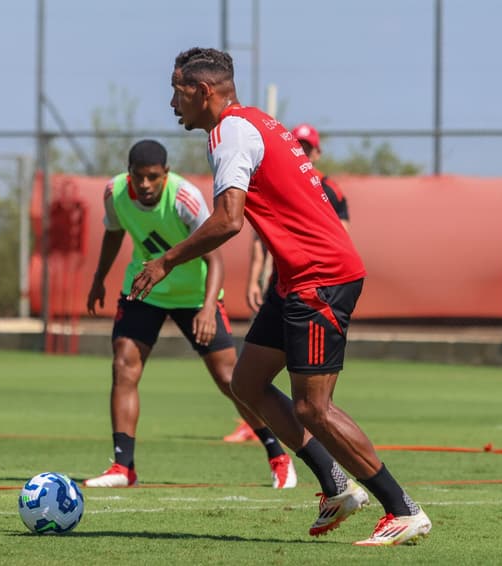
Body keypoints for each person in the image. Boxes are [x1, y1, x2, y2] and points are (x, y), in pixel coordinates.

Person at [128, 48, 431, 545]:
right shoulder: (254, 121)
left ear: (203, 91)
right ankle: (336, 485)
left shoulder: (229, 132)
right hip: (297, 277)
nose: (171, 102)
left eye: (177, 90)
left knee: (314, 408)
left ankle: (402, 508)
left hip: (319, 277)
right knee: (245, 382)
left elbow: (228, 220)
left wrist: (165, 261)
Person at [83, 139, 297, 490]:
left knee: (232, 380)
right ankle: (123, 467)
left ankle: (279, 456)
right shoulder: (114, 192)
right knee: (124, 365)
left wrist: (209, 307)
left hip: (196, 295)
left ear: (165, 174)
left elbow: (215, 257)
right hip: (145, 288)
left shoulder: (185, 198)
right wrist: (98, 279)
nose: (146, 184)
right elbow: (114, 231)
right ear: (129, 174)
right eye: (139, 177)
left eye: (153, 177)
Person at [227, 122, 351, 443]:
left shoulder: (330, 189)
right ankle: (260, 422)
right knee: (250, 377)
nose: (304, 151)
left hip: (314, 285)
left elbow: (342, 237)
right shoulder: (278, 182)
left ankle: (322, 430)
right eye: (300, 146)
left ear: (317, 152)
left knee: (312, 397)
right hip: (281, 283)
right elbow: (261, 237)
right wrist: (255, 278)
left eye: (309, 147)